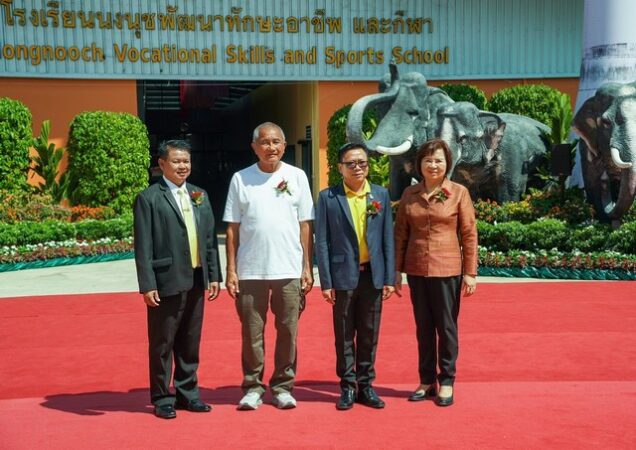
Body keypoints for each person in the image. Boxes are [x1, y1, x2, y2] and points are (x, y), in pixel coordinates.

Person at [223, 122, 314, 410]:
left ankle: (283, 386)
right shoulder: (241, 179)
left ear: (284, 146)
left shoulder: (297, 177)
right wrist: (231, 269)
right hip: (251, 270)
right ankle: (252, 387)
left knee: (288, 330)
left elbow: (305, 226)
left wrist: (307, 267)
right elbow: (232, 229)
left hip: (288, 269)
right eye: (264, 142)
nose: (270, 147)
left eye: (276, 142)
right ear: (254, 147)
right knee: (252, 331)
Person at [133, 139, 221, 419]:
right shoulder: (149, 198)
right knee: (163, 343)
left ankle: (188, 394)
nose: (183, 166)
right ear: (162, 164)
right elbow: (143, 245)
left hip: (196, 278)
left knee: (190, 341)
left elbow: (209, 239)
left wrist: (214, 275)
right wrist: (147, 284)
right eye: (176, 161)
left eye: (186, 161)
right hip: (166, 280)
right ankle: (162, 398)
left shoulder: (200, 195)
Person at [394, 138, 478, 407]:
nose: (433, 165)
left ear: (447, 164)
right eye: (428, 160)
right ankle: (427, 379)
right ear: (419, 164)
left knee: (446, 327)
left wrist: (470, 272)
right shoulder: (410, 195)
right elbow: (400, 235)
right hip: (417, 269)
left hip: (448, 269)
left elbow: (469, 234)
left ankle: (448, 380)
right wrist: (396, 271)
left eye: (438, 160)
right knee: (423, 328)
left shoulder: (459, 193)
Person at [315, 143, 395, 410]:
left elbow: (387, 240)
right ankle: (347, 387)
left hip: (373, 276)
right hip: (342, 276)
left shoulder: (380, 195)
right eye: (351, 163)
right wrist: (326, 282)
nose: (358, 167)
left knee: (370, 334)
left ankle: (367, 386)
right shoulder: (328, 198)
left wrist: (390, 278)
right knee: (345, 334)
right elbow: (322, 242)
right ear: (340, 168)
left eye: (362, 162)